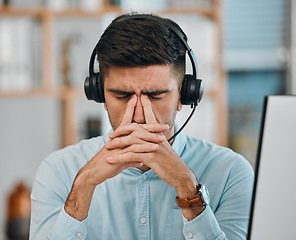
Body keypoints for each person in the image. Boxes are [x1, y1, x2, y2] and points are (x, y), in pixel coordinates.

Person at [30, 13, 254, 240]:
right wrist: (83, 186)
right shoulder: (58, 171)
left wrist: (189, 189)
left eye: (156, 96)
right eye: (122, 95)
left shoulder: (231, 173)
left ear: (184, 95)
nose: (138, 116)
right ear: (101, 96)